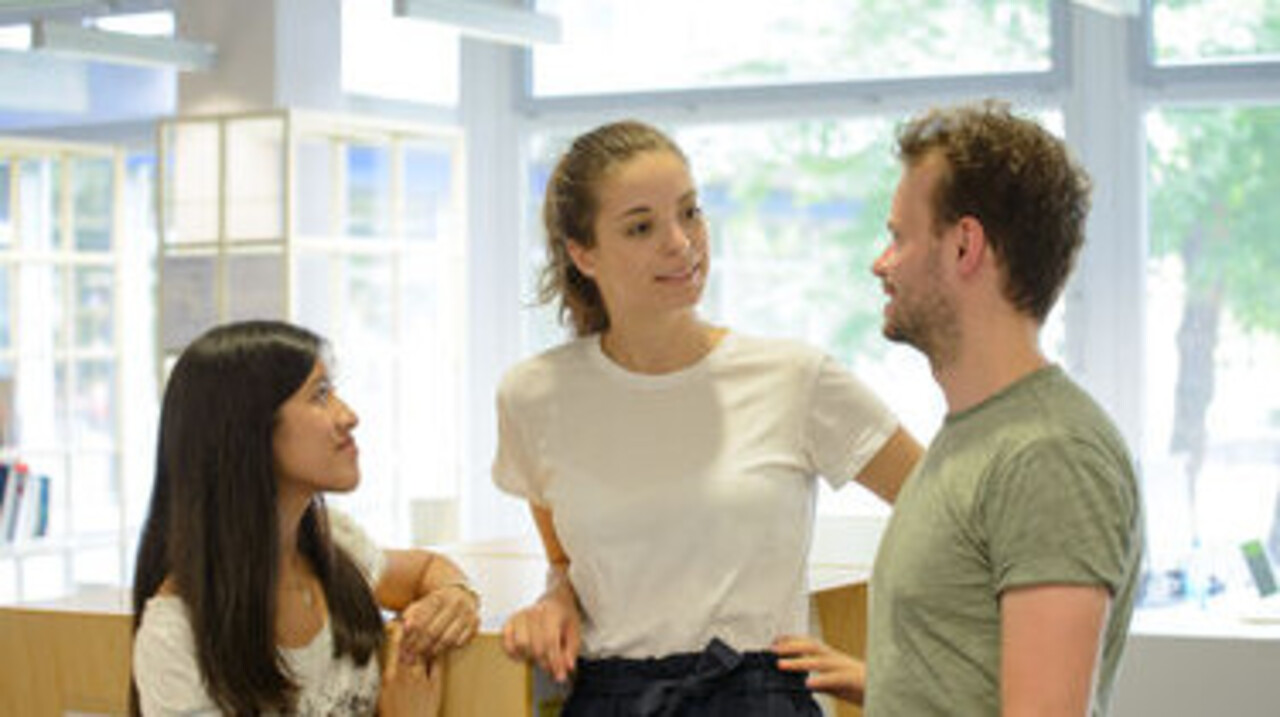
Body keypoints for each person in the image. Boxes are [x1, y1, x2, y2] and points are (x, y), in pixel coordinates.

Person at [491, 119, 922, 716]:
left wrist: (900, 677)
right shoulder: (533, 396)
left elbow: (951, 517)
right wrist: (554, 600)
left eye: (690, 212)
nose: (681, 242)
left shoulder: (795, 378)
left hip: (757, 700)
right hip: (609, 702)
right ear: (582, 253)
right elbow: (566, 559)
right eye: (642, 226)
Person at [773, 100, 1144, 715]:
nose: (880, 263)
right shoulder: (976, 435)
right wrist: (884, 685)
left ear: (965, 244)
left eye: (898, 237)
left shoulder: (1050, 454)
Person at [131, 320, 481, 716]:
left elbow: (426, 570)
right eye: (320, 395)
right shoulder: (176, 636)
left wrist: (457, 596)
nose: (348, 416)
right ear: (249, 429)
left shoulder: (337, 549)